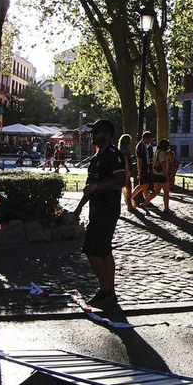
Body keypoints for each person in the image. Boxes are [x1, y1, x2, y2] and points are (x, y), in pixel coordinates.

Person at [73, 119, 128, 306]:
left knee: (91, 249)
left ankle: (105, 290)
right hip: (96, 209)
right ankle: (109, 291)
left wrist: (99, 186)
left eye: (95, 132)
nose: (92, 135)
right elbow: (90, 188)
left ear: (106, 134)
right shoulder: (96, 158)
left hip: (108, 209)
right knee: (104, 251)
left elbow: (122, 181)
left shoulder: (114, 155)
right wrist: (79, 208)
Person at [133, 129, 156, 208]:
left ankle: (147, 201)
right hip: (143, 169)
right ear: (146, 138)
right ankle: (131, 197)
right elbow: (139, 159)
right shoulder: (140, 146)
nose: (150, 140)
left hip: (146, 168)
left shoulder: (146, 146)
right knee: (142, 185)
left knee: (145, 186)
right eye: (150, 139)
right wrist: (139, 171)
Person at [154, 138, 177, 213]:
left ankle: (145, 203)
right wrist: (166, 173)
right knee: (166, 192)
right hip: (162, 175)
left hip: (156, 174)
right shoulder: (163, 153)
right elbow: (163, 163)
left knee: (156, 191)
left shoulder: (157, 151)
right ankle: (166, 208)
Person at [117, 133, 136, 209]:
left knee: (125, 188)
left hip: (121, 171)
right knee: (128, 188)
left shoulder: (121, 149)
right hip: (125, 171)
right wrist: (128, 171)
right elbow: (126, 161)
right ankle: (129, 204)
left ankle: (129, 203)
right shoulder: (125, 150)